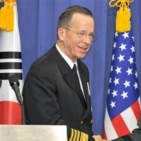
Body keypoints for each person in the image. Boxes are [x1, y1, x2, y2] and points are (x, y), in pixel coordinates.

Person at [23, 5, 100, 141]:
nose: (87, 41)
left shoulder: (82, 69)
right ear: (62, 33)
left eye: (91, 35)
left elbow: (83, 120)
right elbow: (48, 127)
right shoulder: (42, 71)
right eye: (81, 33)